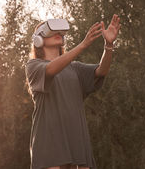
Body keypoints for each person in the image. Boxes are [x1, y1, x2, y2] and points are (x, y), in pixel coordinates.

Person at [25, 14, 121, 169]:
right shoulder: (33, 66)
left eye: (60, 33)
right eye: (51, 32)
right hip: (49, 142)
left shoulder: (74, 68)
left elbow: (101, 71)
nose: (58, 34)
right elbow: (51, 69)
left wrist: (108, 46)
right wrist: (83, 45)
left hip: (77, 140)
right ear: (38, 40)